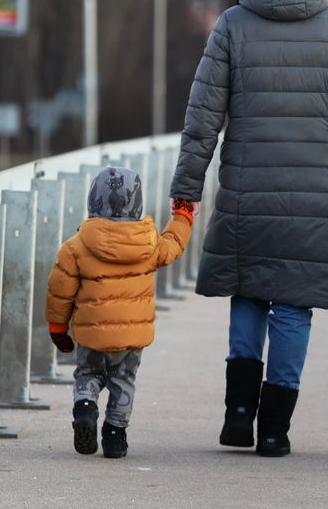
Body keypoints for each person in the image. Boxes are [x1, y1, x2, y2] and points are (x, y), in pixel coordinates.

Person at [170, 0, 328, 458]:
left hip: (247, 189)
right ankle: (275, 429)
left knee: (249, 291)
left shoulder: (232, 23)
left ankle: (238, 415)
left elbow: (202, 117)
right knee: (293, 307)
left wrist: (186, 187)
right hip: (315, 195)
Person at [46, 167, 194, 459]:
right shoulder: (149, 244)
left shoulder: (75, 247)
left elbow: (59, 290)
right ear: (137, 203)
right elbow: (174, 245)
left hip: (92, 334)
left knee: (88, 374)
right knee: (123, 380)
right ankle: (115, 437)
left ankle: (86, 407)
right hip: (131, 339)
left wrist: (58, 328)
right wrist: (183, 216)